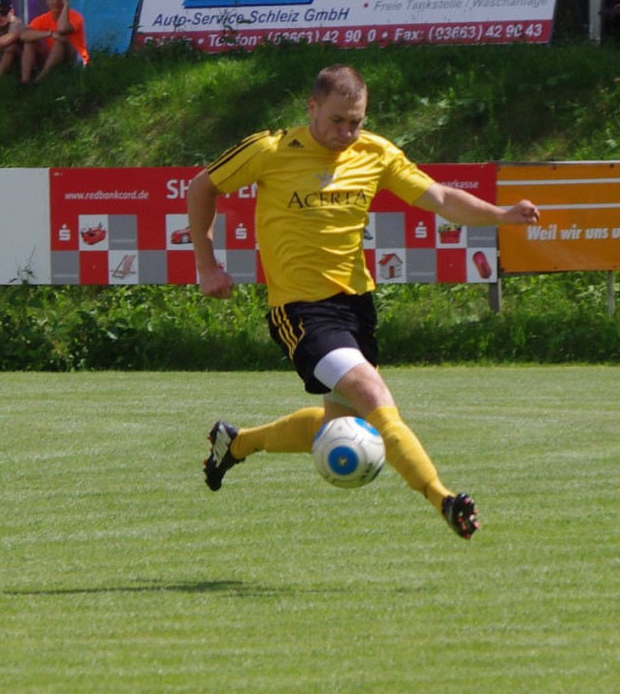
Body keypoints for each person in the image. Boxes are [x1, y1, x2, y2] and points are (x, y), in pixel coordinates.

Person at [186, 64, 540, 540]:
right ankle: (444, 498)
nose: (347, 132)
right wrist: (207, 264)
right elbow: (201, 187)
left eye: (356, 121)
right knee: (373, 396)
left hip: (356, 306)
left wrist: (501, 215)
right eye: (337, 121)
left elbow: (438, 197)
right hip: (300, 310)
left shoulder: (374, 152)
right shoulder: (269, 149)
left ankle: (237, 443)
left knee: (341, 422)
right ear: (311, 108)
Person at [19, 0, 88, 85]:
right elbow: (24, 36)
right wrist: (49, 33)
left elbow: (62, 29)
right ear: (47, 0)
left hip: (75, 60)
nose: (56, 2)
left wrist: (66, 6)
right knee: (30, 42)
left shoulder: (76, 16)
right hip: (53, 57)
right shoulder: (43, 19)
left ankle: (40, 80)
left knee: (60, 38)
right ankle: (25, 81)